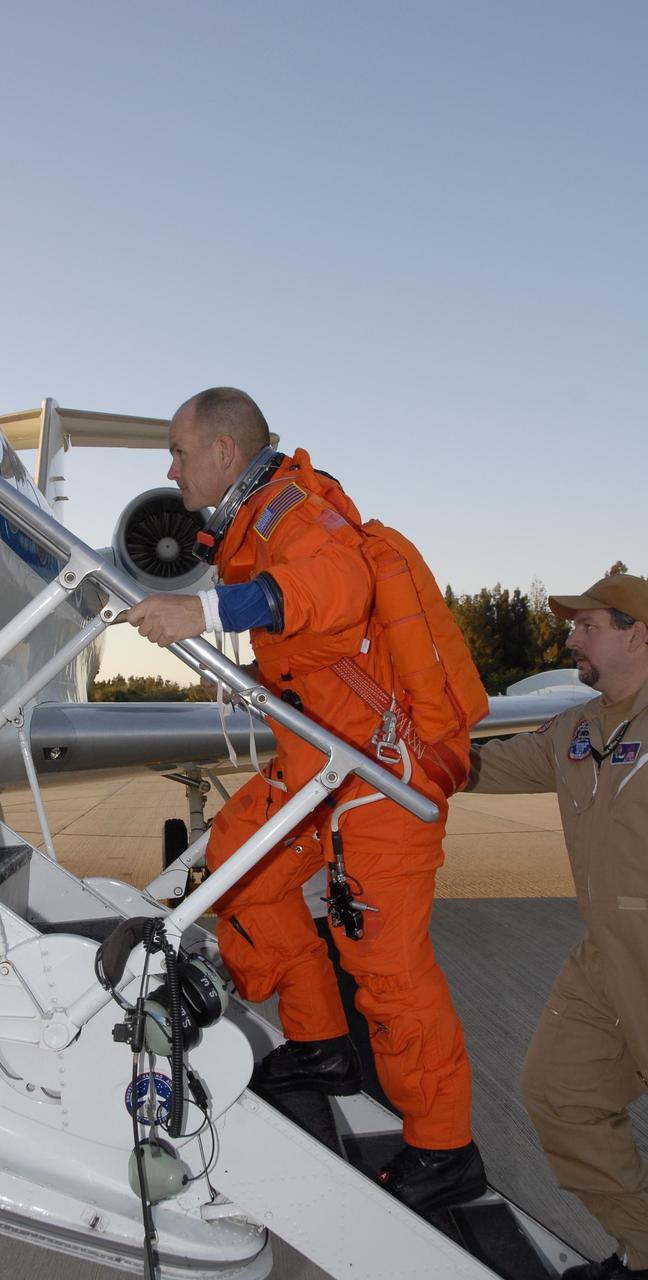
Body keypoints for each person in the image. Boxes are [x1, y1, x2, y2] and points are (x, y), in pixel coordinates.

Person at [125, 386, 487, 1215]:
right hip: (323, 762)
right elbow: (314, 646)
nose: (170, 467)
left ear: (222, 451)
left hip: (379, 776)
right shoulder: (256, 521)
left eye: (179, 451)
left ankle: (445, 1147)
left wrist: (205, 609)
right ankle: (323, 1043)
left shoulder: (292, 509)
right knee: (241, 863)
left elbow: (336, 588)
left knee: (388, 968)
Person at [467, 573, 648, 1280]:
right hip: (606, 961)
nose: (571, 638)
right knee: (559, 1095)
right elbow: (476, 766)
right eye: (571, 627)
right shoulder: (576, 730)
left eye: (588, 625)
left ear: (638, 633)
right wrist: (388, 747)